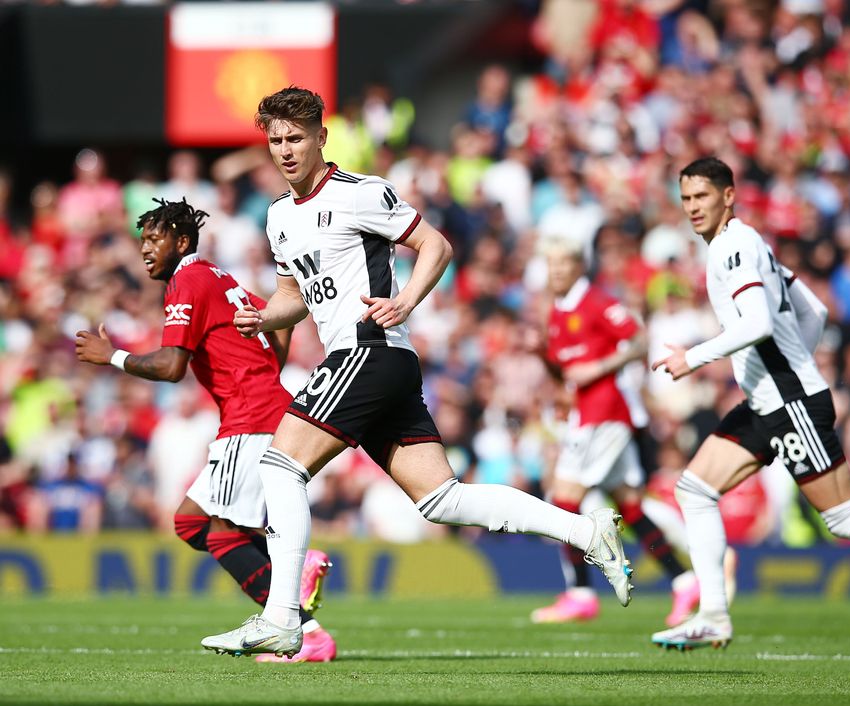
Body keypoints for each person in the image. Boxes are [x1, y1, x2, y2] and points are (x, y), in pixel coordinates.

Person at [200, 86, 633, 658]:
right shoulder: (280, 217)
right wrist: (261, 316)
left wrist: (404, 300)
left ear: (322, 137)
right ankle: (587, 531)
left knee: (280, 465)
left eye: (296, 138)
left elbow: (436, 244)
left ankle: (282, 617)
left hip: (369, 348)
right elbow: (293, 295)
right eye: (275, 140)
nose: (284, 150)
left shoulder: (360, 193)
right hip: (372, 363)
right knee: (441, 500)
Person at [648, 157, 850, 661]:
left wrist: (692, 358)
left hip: (787, 401)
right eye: (687, 198)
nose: (693, 207)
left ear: (728, 195)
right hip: (769, 400)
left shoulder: (734, 246)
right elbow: (814, 311)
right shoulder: (750, 242)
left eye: (702, 197)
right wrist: (796, 363)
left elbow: (757, 322)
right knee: (695, 489)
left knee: (845, 517)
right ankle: (712, 614)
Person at [75, 198, 336, 663]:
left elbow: (173, 365)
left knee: (220, 534)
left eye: (155, 240)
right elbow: (279, 321)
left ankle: (301, 621)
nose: (146, 251)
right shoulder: (220, 279)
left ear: (182, 241)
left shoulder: (188, 281)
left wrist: (111, 356)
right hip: (266, 412)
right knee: (191, 521)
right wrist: (251, 365)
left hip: (249, 419)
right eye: (143, 242)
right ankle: (302, 608)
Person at [529, 237, 718, 626]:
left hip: (606, 414)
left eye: (564, 262)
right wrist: (555, 377)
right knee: (630, 506)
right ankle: (684, 582)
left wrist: (598, 369)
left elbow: (638, 340)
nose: (558, 271)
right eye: (552, 264)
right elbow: (564, 369)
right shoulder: (557, 312)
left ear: (579, 266)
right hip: (588, 414)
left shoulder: (596, 302)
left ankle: (580, 594)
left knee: (563, 501)